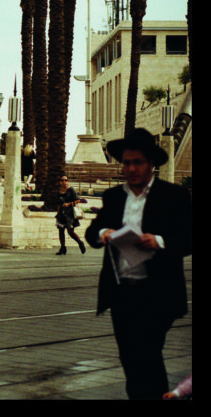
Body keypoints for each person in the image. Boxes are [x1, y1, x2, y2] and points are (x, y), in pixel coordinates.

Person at [85, 128, 192, 400]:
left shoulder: (173, 197)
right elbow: (91, 233)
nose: (131, 168)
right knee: (131, 361)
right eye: (126, 162)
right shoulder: (113, 198)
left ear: (151, 164)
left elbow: (189, 238)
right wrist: (103, 233)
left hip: (158, 293)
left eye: (138, 162)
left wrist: (159, 240)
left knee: (147, 353)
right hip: (122, 293)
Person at [55, 176, 85, 255]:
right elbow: (58, 204)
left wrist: (69, 204)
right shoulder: (59, 192)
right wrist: (57, 214)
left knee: (70, 231)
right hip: (61, 214)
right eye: (62, 180)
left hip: (70, 214)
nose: (64, 182)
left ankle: (80, 243)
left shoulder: (71, 190)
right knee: (61, 230)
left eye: (66, 180)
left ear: (68, 182)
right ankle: (63, 248)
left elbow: (78, 200)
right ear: (60, 182)